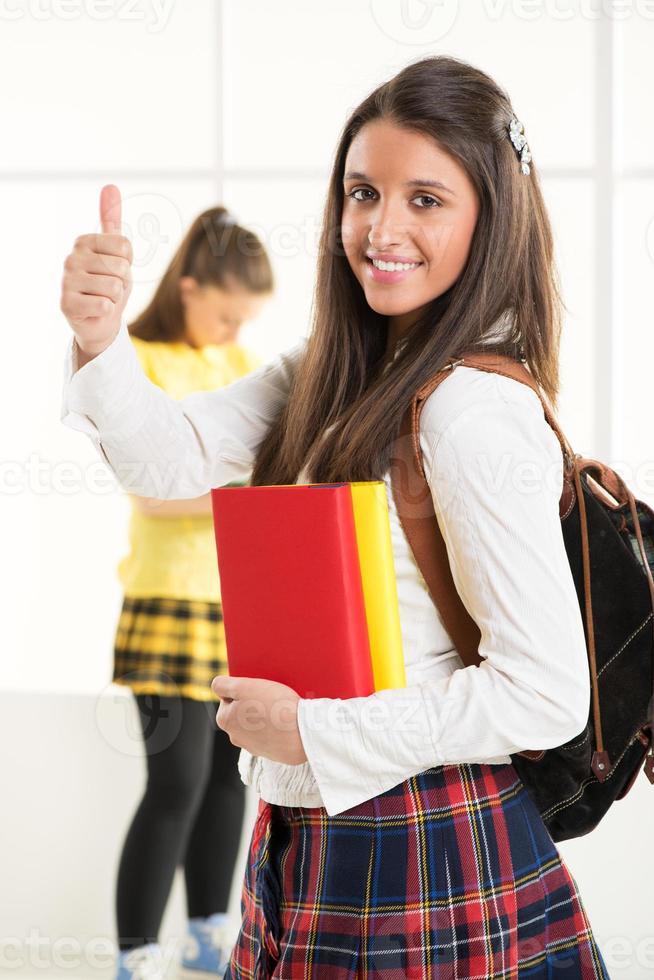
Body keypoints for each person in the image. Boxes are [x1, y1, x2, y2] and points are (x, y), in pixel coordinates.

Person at [60, 54, 610, 979]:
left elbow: (548, 692)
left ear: (491, 215)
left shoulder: (472, 410)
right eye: (363, 192)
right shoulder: (333, 367)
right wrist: (99, 337)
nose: (381, 228)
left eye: (425, 199)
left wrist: (313, 732)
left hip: (422, 837)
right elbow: (169, 459)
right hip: (313, 828)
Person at [65, 203, 273, 978]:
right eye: (224, 314)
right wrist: (240, 490)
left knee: (230, 778)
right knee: (175, 783)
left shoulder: (239, 364)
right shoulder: (141, 358)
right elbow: (152, 493)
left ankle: (205, 941)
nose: (231, 330)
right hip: (166, 603)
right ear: (188, 289)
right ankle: (135, 957)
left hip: (238, 608)